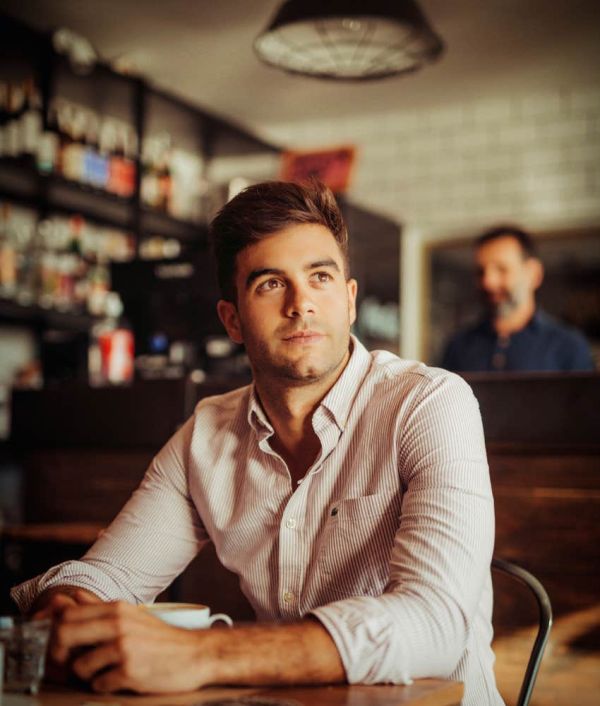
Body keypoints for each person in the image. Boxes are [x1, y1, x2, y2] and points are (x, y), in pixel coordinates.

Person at [12, 181, 503, 706]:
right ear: (232, 321)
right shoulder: (205, 436)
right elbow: (111, 575)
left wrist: (199, 655)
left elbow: (434, 625)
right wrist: (68, 604)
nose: (301, 304)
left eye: (320, 277)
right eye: (271, 284)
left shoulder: (429, 404)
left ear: (350, 300)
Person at [441, 225, 594, 373]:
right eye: (481, 271)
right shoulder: (457, 347)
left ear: (534, 274)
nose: (488, 282)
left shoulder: (569, 346)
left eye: (502, 269)